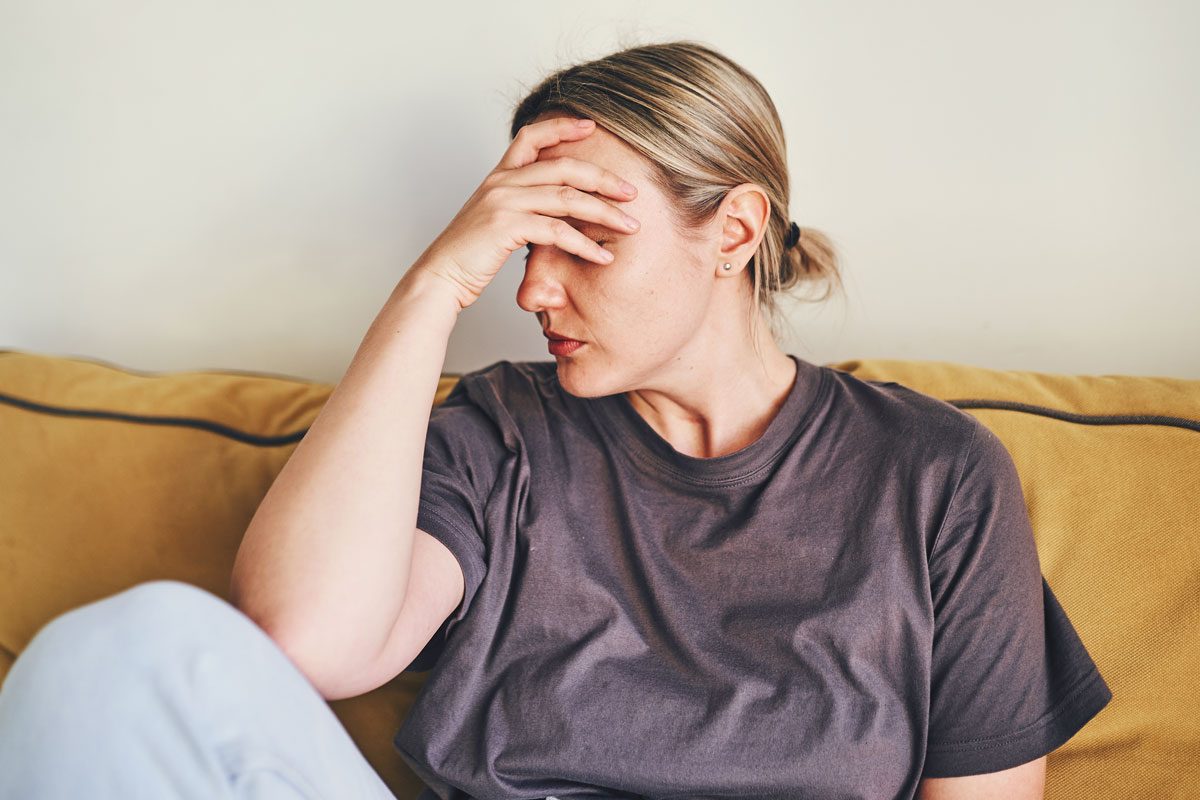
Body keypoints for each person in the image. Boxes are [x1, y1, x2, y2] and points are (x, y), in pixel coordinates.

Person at [0, 40, 1110, 800]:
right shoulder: (497, 433)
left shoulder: (934, 472)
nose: (531, 290)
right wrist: (435, 286)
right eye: (525, 241)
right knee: (123, 649)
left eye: (581, 237)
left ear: (733, 230)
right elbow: (309, 638)